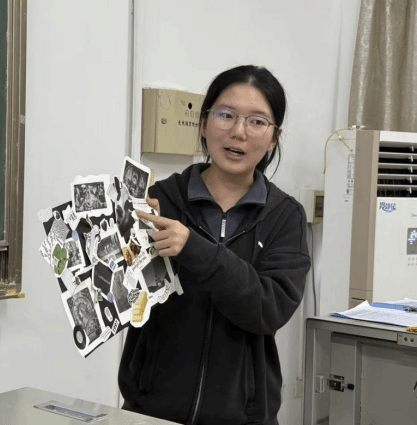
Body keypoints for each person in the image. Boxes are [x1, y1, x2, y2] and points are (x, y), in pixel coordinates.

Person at [118, 65, 311, 425]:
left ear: (274, 138)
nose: (238, 132)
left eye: (257, 121)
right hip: (151, 412)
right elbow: (123, 298)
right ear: (204, 123)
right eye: (226, 115)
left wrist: (194, 248)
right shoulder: (160, 200)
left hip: (243, 416)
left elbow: (268, 309)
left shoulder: (285, 216)